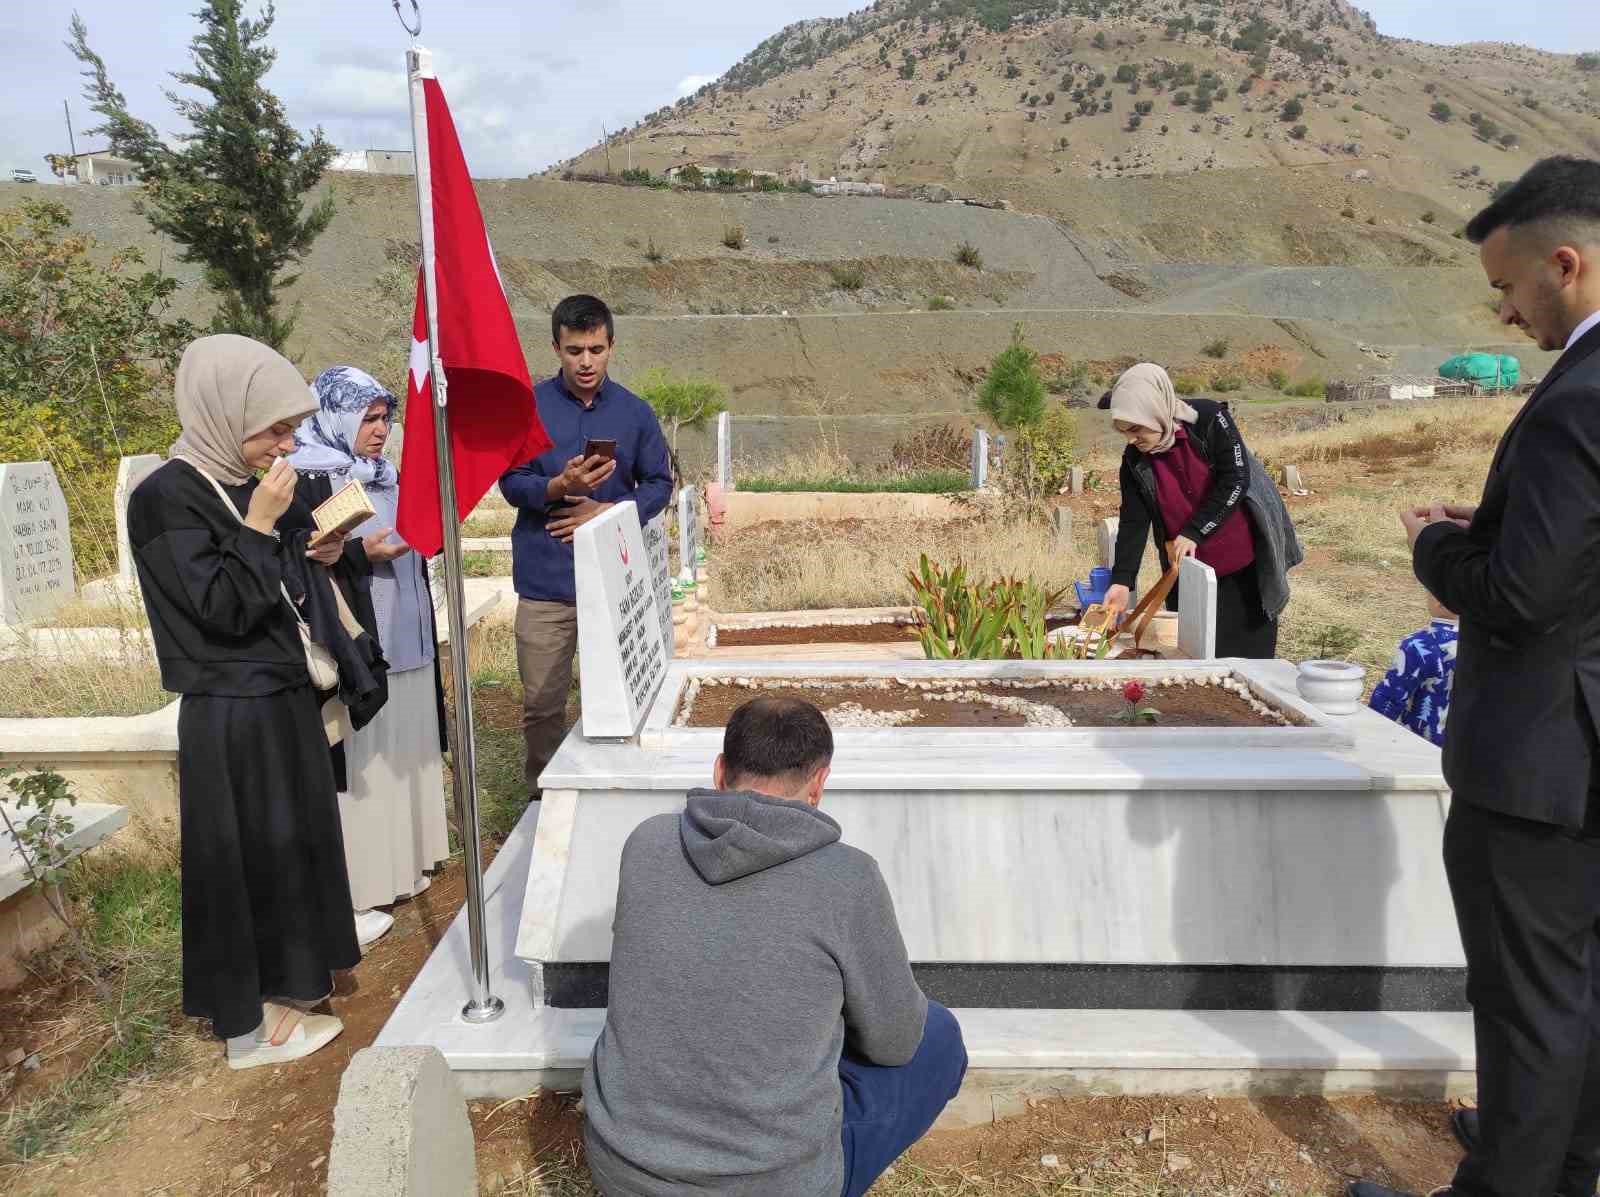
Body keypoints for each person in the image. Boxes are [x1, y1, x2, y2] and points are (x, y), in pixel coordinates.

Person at [1347, 156, 1600, 1197]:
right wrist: (1495, 524)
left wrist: (1431, 549)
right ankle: (1554, 1157)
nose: (1500, 313)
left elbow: (1516, 597)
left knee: (1524, 994)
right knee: (1578, 987)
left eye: (1506, 287)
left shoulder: (1577, 397)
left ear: (1567, 261)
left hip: (1538, 754)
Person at [583, 697, 968, 1197]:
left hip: (624, 1168)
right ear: (819, 784)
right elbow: (894, 1045)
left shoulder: (647, 842)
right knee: (937, 1034)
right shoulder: (847, 877)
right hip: (774, 1183)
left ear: (720, 771)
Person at [128, 335, 369, 1069]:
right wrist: (264, 525)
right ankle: (249, 1026)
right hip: (231, 711)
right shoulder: (165, 496)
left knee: (290, 852)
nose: (286, 444)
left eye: (292, 427)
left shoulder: (242, 480)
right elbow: (219, 609)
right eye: (272, 429)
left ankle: (291, 984)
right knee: (247, 862)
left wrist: (313, 545)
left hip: (278, 696)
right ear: (222, 414)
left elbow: (272, 577)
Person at [290, 366, 449, 948]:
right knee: (369, 762)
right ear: (334, 414)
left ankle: (412, 861)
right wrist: (364, 552)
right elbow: (309, 562)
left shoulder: (386, 473)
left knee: (409, 745)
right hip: (363, 640)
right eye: (368, 418)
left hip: (409, 629)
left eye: (385, 417)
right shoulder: (309, 478)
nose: (380, 430)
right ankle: (369, 880)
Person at [499, 294, 672, 800]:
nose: (586, 361)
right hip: (547, 583)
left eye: (596, 349)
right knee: (542, 702)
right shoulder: (529, 408)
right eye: (575, 350)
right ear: (556, 347)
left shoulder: (636, 413)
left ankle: (620, 795)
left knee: (622, 700)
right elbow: (511, 482)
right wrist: (557, 487)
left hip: (616, 584)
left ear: (612, 346)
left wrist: (608, 513)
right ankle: (546, 801)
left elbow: (659, 484)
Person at [1099, 363, 1301, 658]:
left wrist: (1195, 531)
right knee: (1194, 657)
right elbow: (1133, 521)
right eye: (1123, 432)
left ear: (1156, 410)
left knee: (1249, 658)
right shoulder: (1134, 461)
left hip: (1241, 566)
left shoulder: (1207, 419)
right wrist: (1122, 581)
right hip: (1186, 573)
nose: (1131, 439)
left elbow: (1236, 478)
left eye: (1136, 428)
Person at [1367, 592, 1458, 747]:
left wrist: (1369, 732)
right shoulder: (1491, 643)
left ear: (1439, 600)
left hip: (1419, 745)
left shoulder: (1419, 644)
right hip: (1471, 753)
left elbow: (1391, 696)